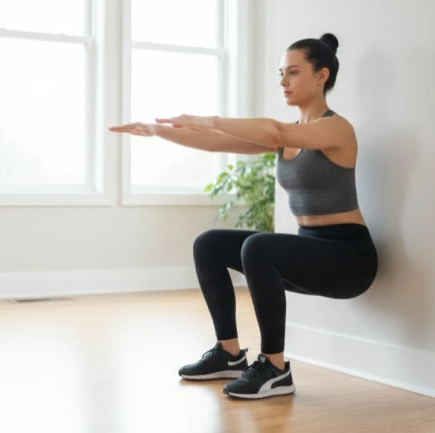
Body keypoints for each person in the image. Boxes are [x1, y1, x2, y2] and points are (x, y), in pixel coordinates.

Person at [109, 33, 378, 400]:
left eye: (293, 73)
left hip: (349, 258)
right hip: (310, 250)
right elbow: (216, 142)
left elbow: (275, 129)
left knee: (258, 246)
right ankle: (230, 355)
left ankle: (276, 368)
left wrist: (209, 118)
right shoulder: (288, 136)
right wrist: (157, 131)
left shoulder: (336, 128)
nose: (283, 81)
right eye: (281, 73)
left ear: (321, 76)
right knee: (210, 244)